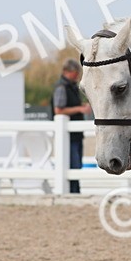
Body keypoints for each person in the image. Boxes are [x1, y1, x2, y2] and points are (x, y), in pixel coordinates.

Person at [52, 59, 88, 194]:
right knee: (72, 164)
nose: (77, 75)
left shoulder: (71, 87)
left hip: (75, 135)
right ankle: (72, 192)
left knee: (76, 166)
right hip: (69, 137)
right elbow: (58, 111)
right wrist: (79, 109)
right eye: (75, 72)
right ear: (67, 72)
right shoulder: (62, 88)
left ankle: (75, 191)